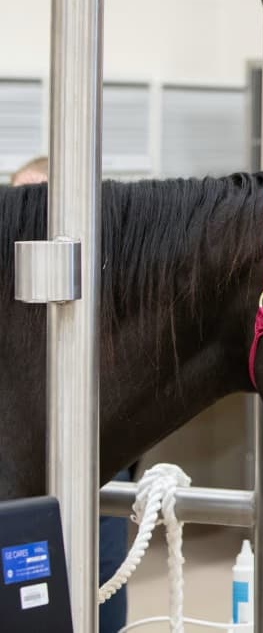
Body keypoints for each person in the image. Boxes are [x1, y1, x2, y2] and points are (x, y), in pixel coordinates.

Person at [10, 156, 132, 633]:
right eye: (22, 202)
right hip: (18, 462)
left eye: (42, 204)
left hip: (95, 451)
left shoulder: (110, 283)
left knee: (101, 584)